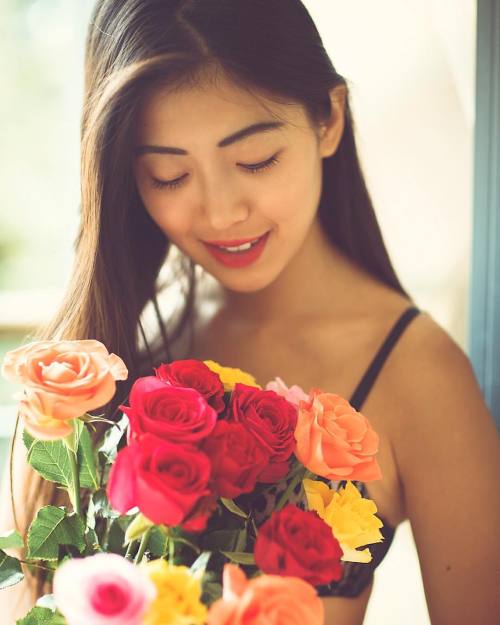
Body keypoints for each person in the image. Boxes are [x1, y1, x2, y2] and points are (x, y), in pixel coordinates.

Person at [1, 1, 499, 624]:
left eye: (256, 161)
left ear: (328, 119)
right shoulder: (99, 352)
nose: (220, 213)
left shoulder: (420, 376)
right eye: (169, 175)